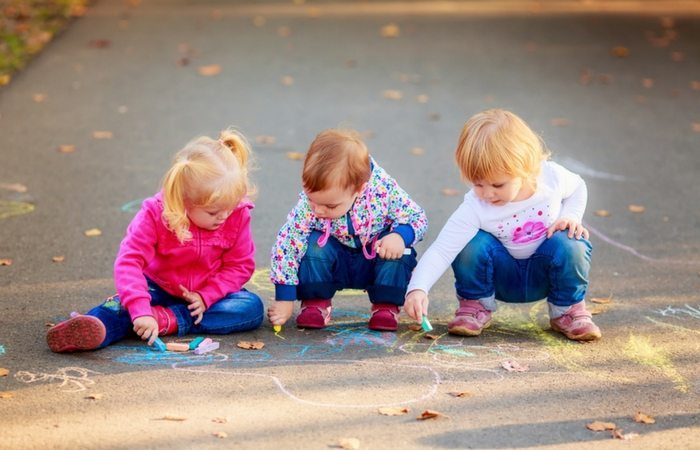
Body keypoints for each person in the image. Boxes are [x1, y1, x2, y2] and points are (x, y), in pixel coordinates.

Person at [47, 129, 264, 352]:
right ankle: (96, 327)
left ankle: (162, 319)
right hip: (157, 287)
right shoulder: (155, 213)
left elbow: (240, 265)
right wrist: (140, 309)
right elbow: (130, 261)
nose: (224, 216)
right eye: (213, 212)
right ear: (184, 201)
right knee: (123, 305)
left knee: (250, 308)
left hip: (205, 296)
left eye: (230, 208)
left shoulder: (236, 213)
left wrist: (206, 295)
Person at [404, 109, 601, 341]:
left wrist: (571, 216)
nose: (487, 193)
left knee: (572, 241)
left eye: (498, 184)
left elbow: (578, 187)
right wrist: (417, 288)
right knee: (469, 242)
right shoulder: (475, 205)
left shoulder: (551, 178)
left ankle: (567, 310)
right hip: (499, 278)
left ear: (527, 167)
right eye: (478, 184)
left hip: (546, 274)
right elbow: (442, 249)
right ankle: (475, 305)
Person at [268, 129, 428, 331]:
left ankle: (385, 306)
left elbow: (417, 217)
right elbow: (287, 243)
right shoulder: (311, 205)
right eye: (311, 200)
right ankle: (316, 302)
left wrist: (400, 236)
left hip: (374, 257)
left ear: (359, 189)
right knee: (310, 244)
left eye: (330, 206)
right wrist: (285, 297)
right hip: (335, 260)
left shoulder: (383, 190)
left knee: (399, 251)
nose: (318, 210)